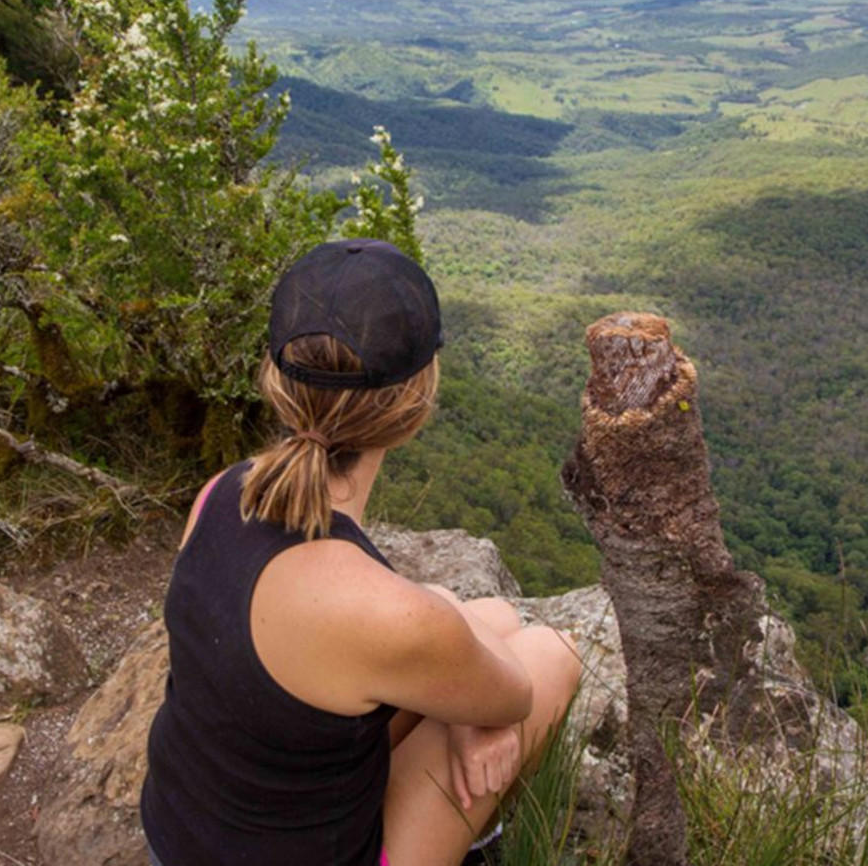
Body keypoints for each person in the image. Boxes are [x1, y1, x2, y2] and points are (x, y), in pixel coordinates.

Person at [139, 238, 582, 866]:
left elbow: (395, 632)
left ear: (276, 377)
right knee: (549, 652)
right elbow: (512, 696)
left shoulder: (220, 493)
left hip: (177, 836)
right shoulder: (383, 615)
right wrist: (475, 716)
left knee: (491, 617)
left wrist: (455, 675)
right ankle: (475, 840)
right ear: (415, 404)